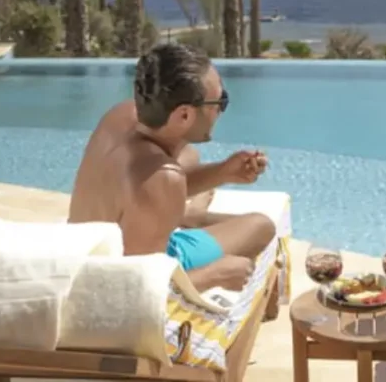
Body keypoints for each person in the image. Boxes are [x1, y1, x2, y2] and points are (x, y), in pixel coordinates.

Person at [69, 43, 277, 292]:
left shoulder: (121, 115)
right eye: (220, 101)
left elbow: (145, 184)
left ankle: (184, 215)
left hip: (82, 250)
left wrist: (223, 172)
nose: (221, 109)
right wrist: (214, 275)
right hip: (110, 279)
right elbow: (136, 290)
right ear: (184, 116)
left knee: (189, 155)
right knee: (261, 226)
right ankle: (190, 217)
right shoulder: (164, 179)